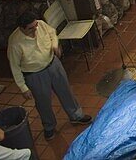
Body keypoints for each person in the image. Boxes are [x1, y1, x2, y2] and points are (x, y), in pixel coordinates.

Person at [7, 11, 91, 139]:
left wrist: (54, 45)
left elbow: (52, 33)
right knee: (43, 102)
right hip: (35, 75)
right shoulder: (15, 43)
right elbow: (15, 67)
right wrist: (23, 87)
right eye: (31, 28)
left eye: (35, 25)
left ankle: (76, 116)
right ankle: (49, 126)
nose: (35, 28)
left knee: (65, 91)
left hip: (53, 64)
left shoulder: (40, 24)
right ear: (21, 28)